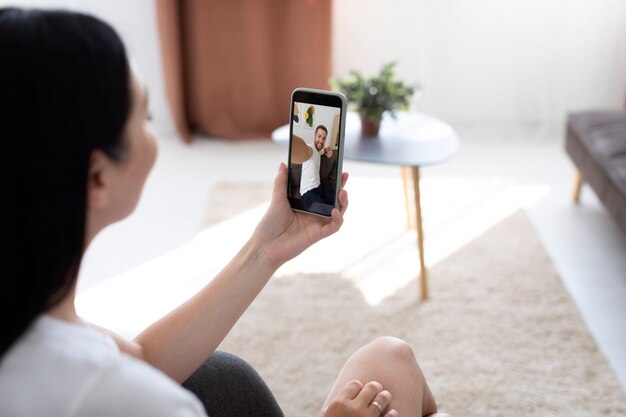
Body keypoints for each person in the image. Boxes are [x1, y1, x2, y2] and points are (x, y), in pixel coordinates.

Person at [0, 8, 445, 417]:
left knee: (221, 373)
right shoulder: (136, 401)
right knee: (390, 357)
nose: (153, 136)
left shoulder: (31, 317)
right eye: (146, 118)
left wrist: (265, 249)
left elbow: (138, 359)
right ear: (97, 177)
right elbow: (130, 377)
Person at [300, 125, 335, 205]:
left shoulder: (318, 150)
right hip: (307, 192)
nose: (321, 141)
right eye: (319, 136)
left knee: (336, 197)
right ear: (314, 136)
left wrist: (328, 151)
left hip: (319, 187)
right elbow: (304, 151)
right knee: (324, 210)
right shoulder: (310, 148)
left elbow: (324, 150)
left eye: (324, 138)